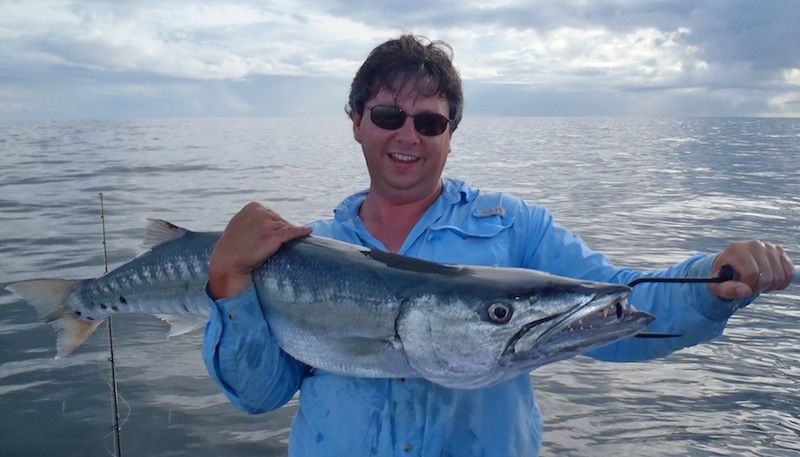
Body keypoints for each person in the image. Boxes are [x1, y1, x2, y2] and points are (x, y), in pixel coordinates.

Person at [202, 35, 794, 456]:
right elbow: (258, 393)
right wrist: (228, 283)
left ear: (451, 135)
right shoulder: (299, 252)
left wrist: (711, 281)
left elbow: (620, 306)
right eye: (387, 115)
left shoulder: (515, 228)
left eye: (430, 122)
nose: (408, 135)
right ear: (356, 121)